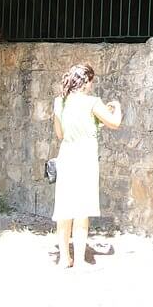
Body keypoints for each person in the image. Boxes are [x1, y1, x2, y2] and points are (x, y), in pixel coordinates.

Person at [52, 63, 122, 268]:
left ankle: (65, 258)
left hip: (67, 155)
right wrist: (116, 107)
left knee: (64, 208)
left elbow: (60, 134)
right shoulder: (93, 102)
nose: (92, 86)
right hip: (85, 158)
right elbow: (114, 123)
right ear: (86, 82)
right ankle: (81, 259)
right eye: (91, 82)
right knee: (81, 210)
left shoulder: (60, 102)